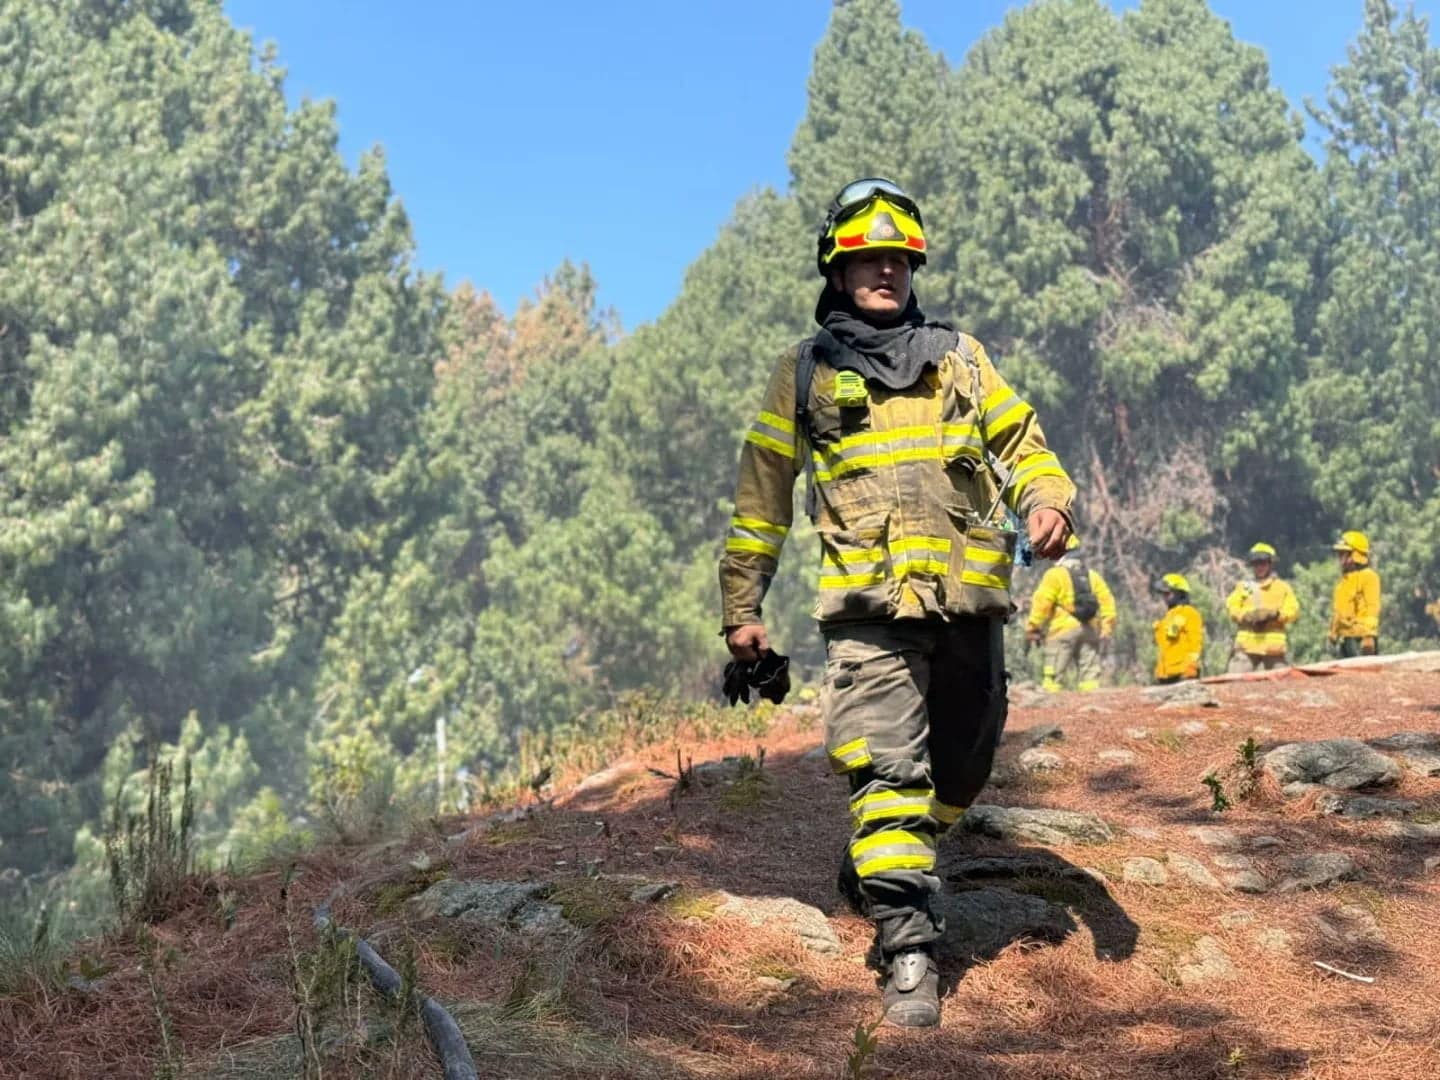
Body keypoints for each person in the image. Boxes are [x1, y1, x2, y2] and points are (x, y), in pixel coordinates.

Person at [718, 178, 1075, 1028]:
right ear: (838, 273)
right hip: (869, 614)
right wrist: (743, 605)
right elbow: (762, 500)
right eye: (868, 259)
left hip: (967, 605)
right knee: (888, 773)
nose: (885, 272)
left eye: (898, 261)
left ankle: (883, 859)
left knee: (964, 766)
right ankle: (908, 947)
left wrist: (1048, 499)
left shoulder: (961, 358)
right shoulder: (803, 373)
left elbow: (1021, 441)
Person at [1025, 536, 1116, 692]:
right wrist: (1106, 629)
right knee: (1090, 681)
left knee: (1053, 679)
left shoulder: (1054, 575)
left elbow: (1042, 603)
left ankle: (1051, 705)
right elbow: (1108, 603)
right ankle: (1091, 706)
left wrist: (1033, 627)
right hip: (1090, 630)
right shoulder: (1092, 576)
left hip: (1061, 631)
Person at [1224, 543, 1299, 672]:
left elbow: (1293, 611)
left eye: (1263, 563)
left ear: (1270, 564)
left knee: (1282, 680)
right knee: (1235, 679)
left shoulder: (1282, 588)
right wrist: (1245, 615)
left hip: (1273, 649)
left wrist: (1276, 615)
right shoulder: (1243, 587)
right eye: (1256, 563)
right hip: (1247, 647)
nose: (1259, 567)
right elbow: (1232, 607)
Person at [1328, 530, 1380, 657]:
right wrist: (1332, 636)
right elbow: (1339, 613)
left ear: (1355, 555)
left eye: (1343, 554)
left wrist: (1368, 636)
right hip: (1345, 639)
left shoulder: (1369, 577)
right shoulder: (1343, 582)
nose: (1340, 558)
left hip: (1361, 640)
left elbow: (1372, 609)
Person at [1152, 573, 1203, 683]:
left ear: (1179, 594)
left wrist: (1191, 667)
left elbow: (1195, 644)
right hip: (1165, 676)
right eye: (1163, 594)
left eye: (1168, 594)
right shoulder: (1167, 617)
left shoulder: (1190, 614)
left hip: (1183, 674)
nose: (1164, 598)